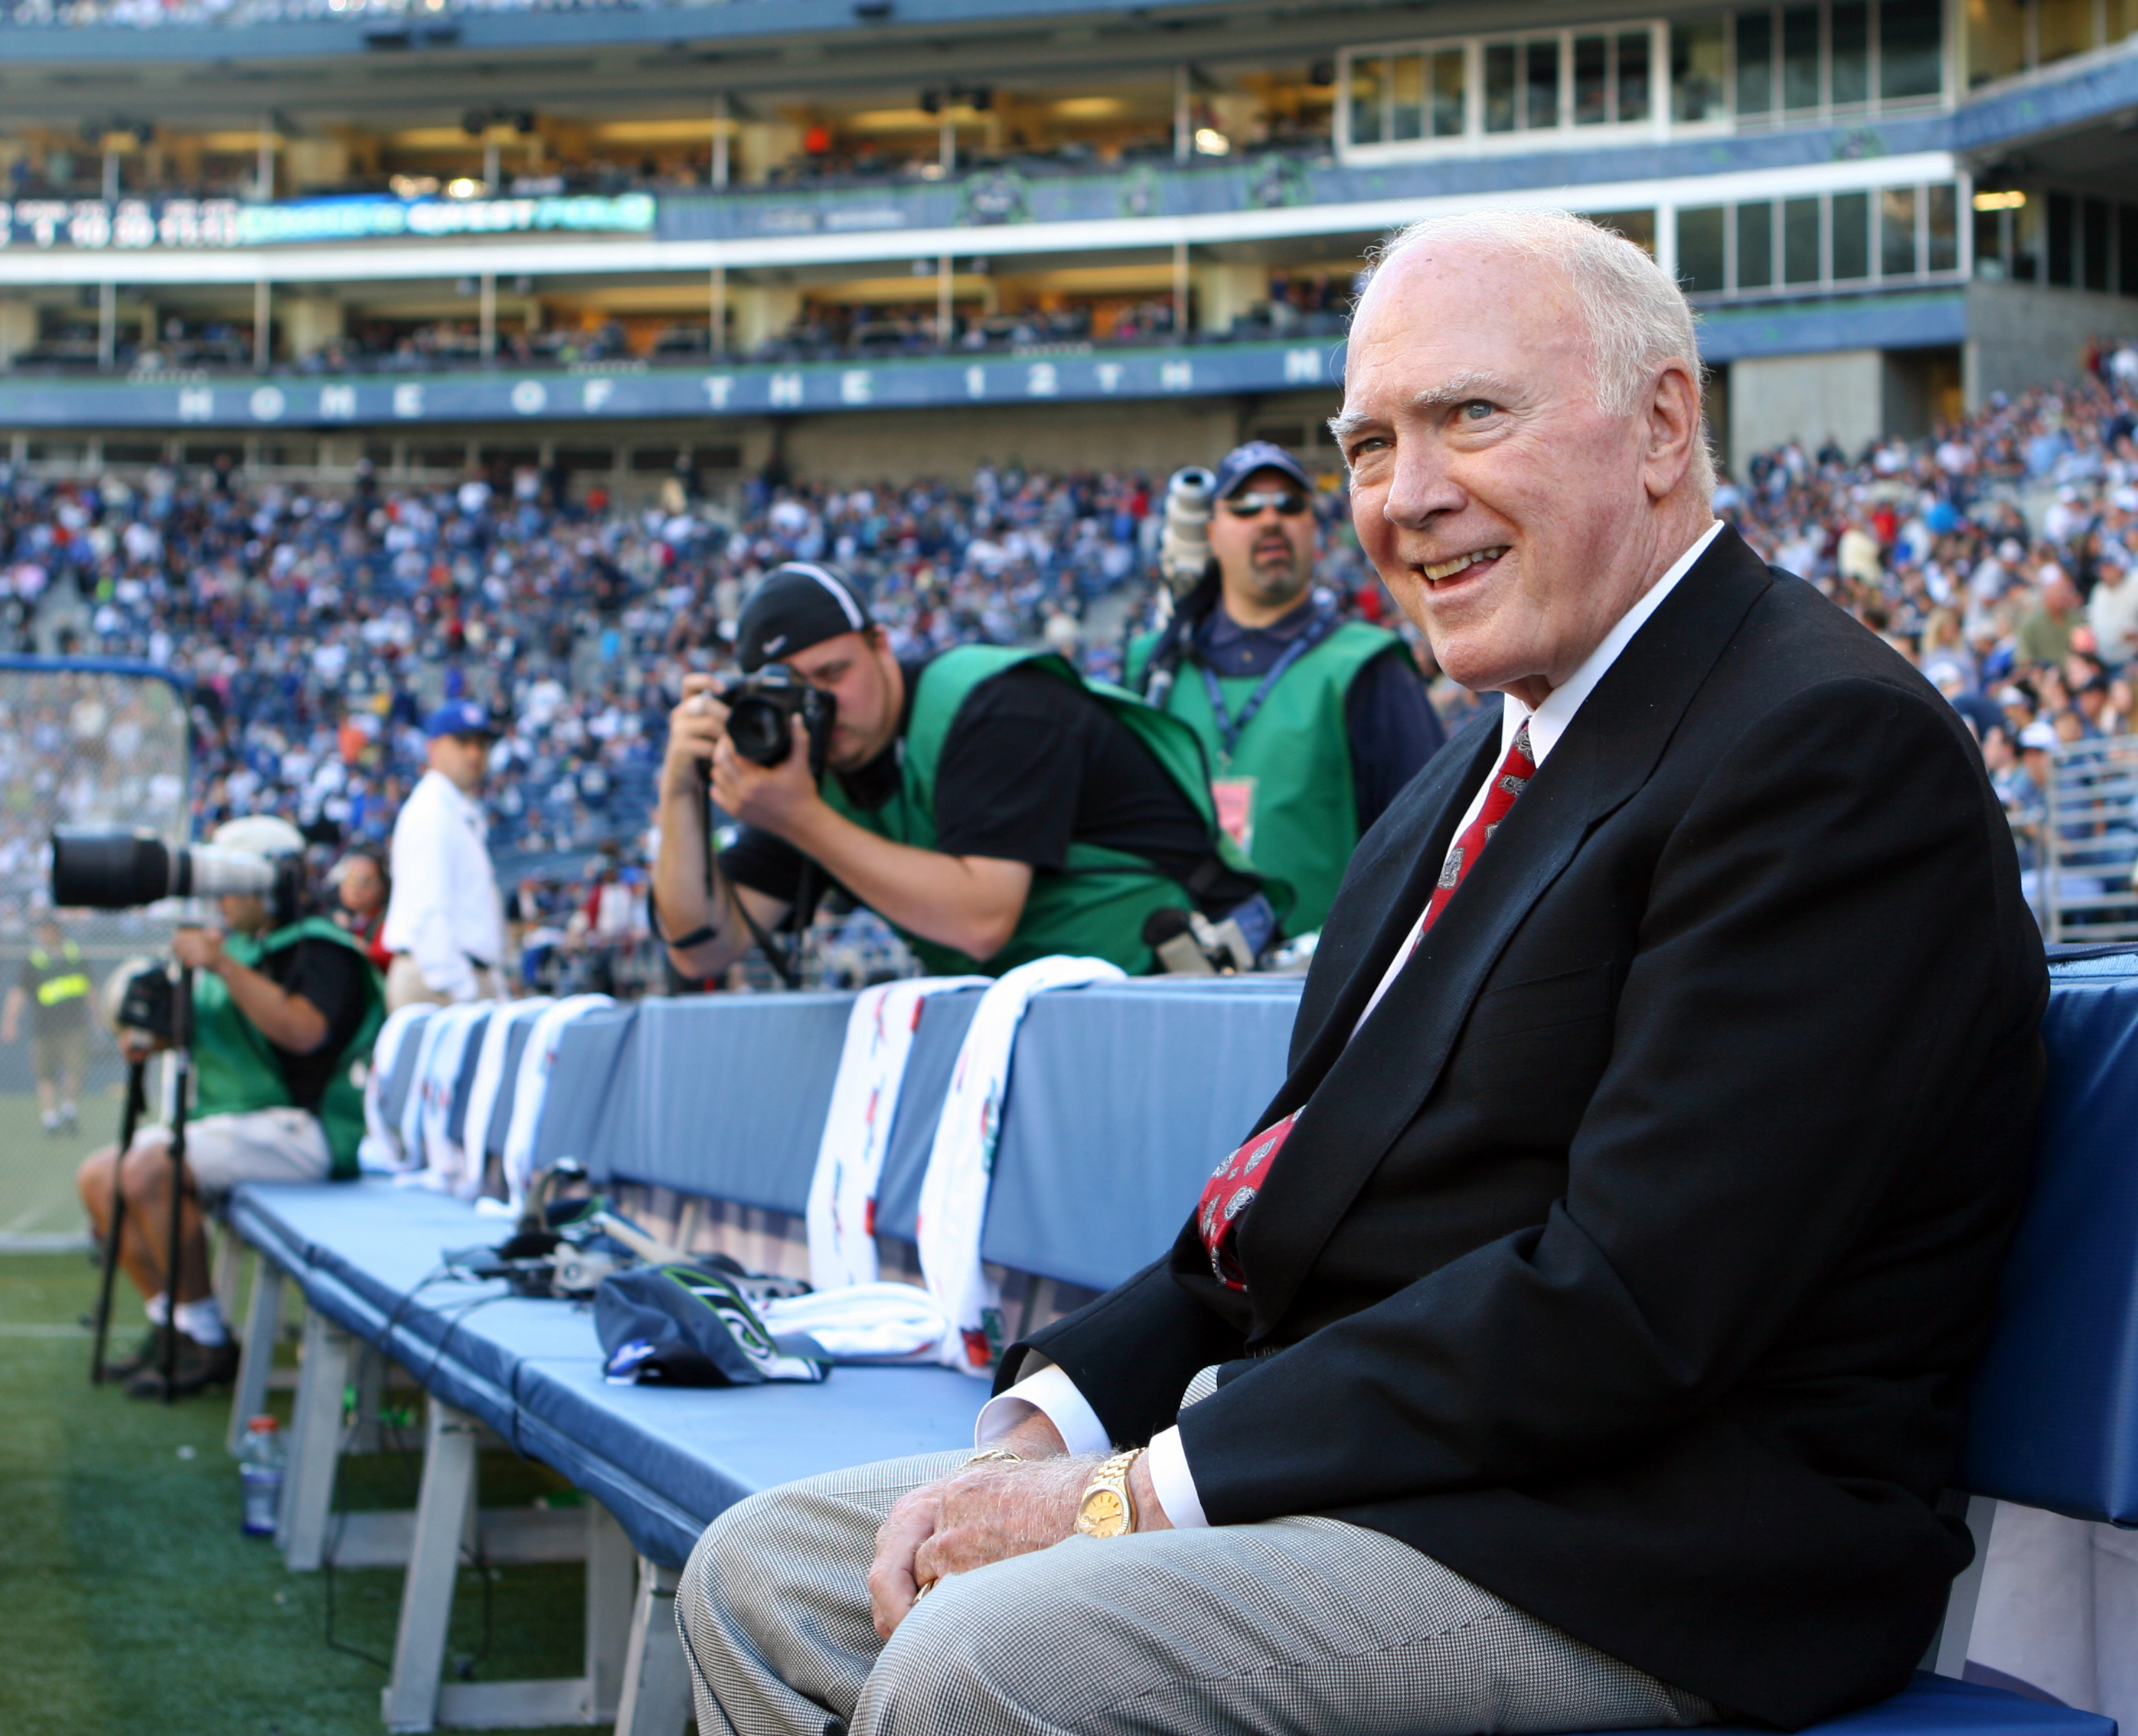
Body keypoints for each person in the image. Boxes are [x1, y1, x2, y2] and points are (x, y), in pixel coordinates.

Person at [676, 209, 2045, 1736]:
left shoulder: (1821, 748)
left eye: (1470, 415)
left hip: (1646, 1542)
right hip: (1400, 1468)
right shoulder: (1459, 783)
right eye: (1368, 442)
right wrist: (1040, 1422)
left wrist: (1130, 1496)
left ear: (1661, 425)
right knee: (765, 1575)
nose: (1406, 499)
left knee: (990, 1660)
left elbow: (1630, 1306)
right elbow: (1271, 1222)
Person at [651, 562, 1279, 981]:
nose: (821, 707)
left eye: (834, 675)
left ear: (880, 647)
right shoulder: (808, 771)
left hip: (1198, 962)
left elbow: (980, 920)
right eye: (795, 692)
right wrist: (680, 790)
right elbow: (701, 947)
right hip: (1092, 991)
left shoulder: (991, 704)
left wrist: (800, 819)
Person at [75, 817, 384, 1398]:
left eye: (231, 886)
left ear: (270, 884)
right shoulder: (242, 948)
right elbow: (225, 1036)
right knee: (97, 1177)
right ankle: (174, 1328)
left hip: (308, 1128)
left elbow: (304, 1032)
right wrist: (157, 1034)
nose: (221, 901)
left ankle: (213, 1343)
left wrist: (220, 965)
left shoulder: (322, 948)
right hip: (239, 1123)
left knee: (147, 1170)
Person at [1128, 441, 1445, 933]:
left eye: (1290, 505)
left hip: (1313, 990)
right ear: (1211, 532)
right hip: (1163, 980)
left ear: (1312, 529)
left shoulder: (1368, 665)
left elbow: (1427, 854)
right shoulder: (1152, 666)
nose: (1270, 518)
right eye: (1247, 507)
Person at [381, 699, 508, 1010]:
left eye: (481, 744)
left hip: (454, 977)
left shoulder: (453, 809)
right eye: (462, 742)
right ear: (433, 747)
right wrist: (464, 990)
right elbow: (428, 912)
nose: (474, 754)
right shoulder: (431, 811)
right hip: (437, 983)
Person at [4, 915, 93, 1135]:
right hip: (43, 1029)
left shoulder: (75, 957)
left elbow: (90, 990)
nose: (48, 934)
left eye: (52, 929)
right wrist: (9, 1021)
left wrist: (97, 1018)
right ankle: (50, 1119)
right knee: (46, 1075)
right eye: (44, 930)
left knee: (75, 1069)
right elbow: (18, 993)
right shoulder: (33, 961)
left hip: (74, 1026)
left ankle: (69, 1110)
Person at [332, 846, 393, 971]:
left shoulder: (388, 923)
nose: (356, 889)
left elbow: (382, 958)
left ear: (382, 887)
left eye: (366, 882)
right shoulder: (332, 918)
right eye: (350, 879)